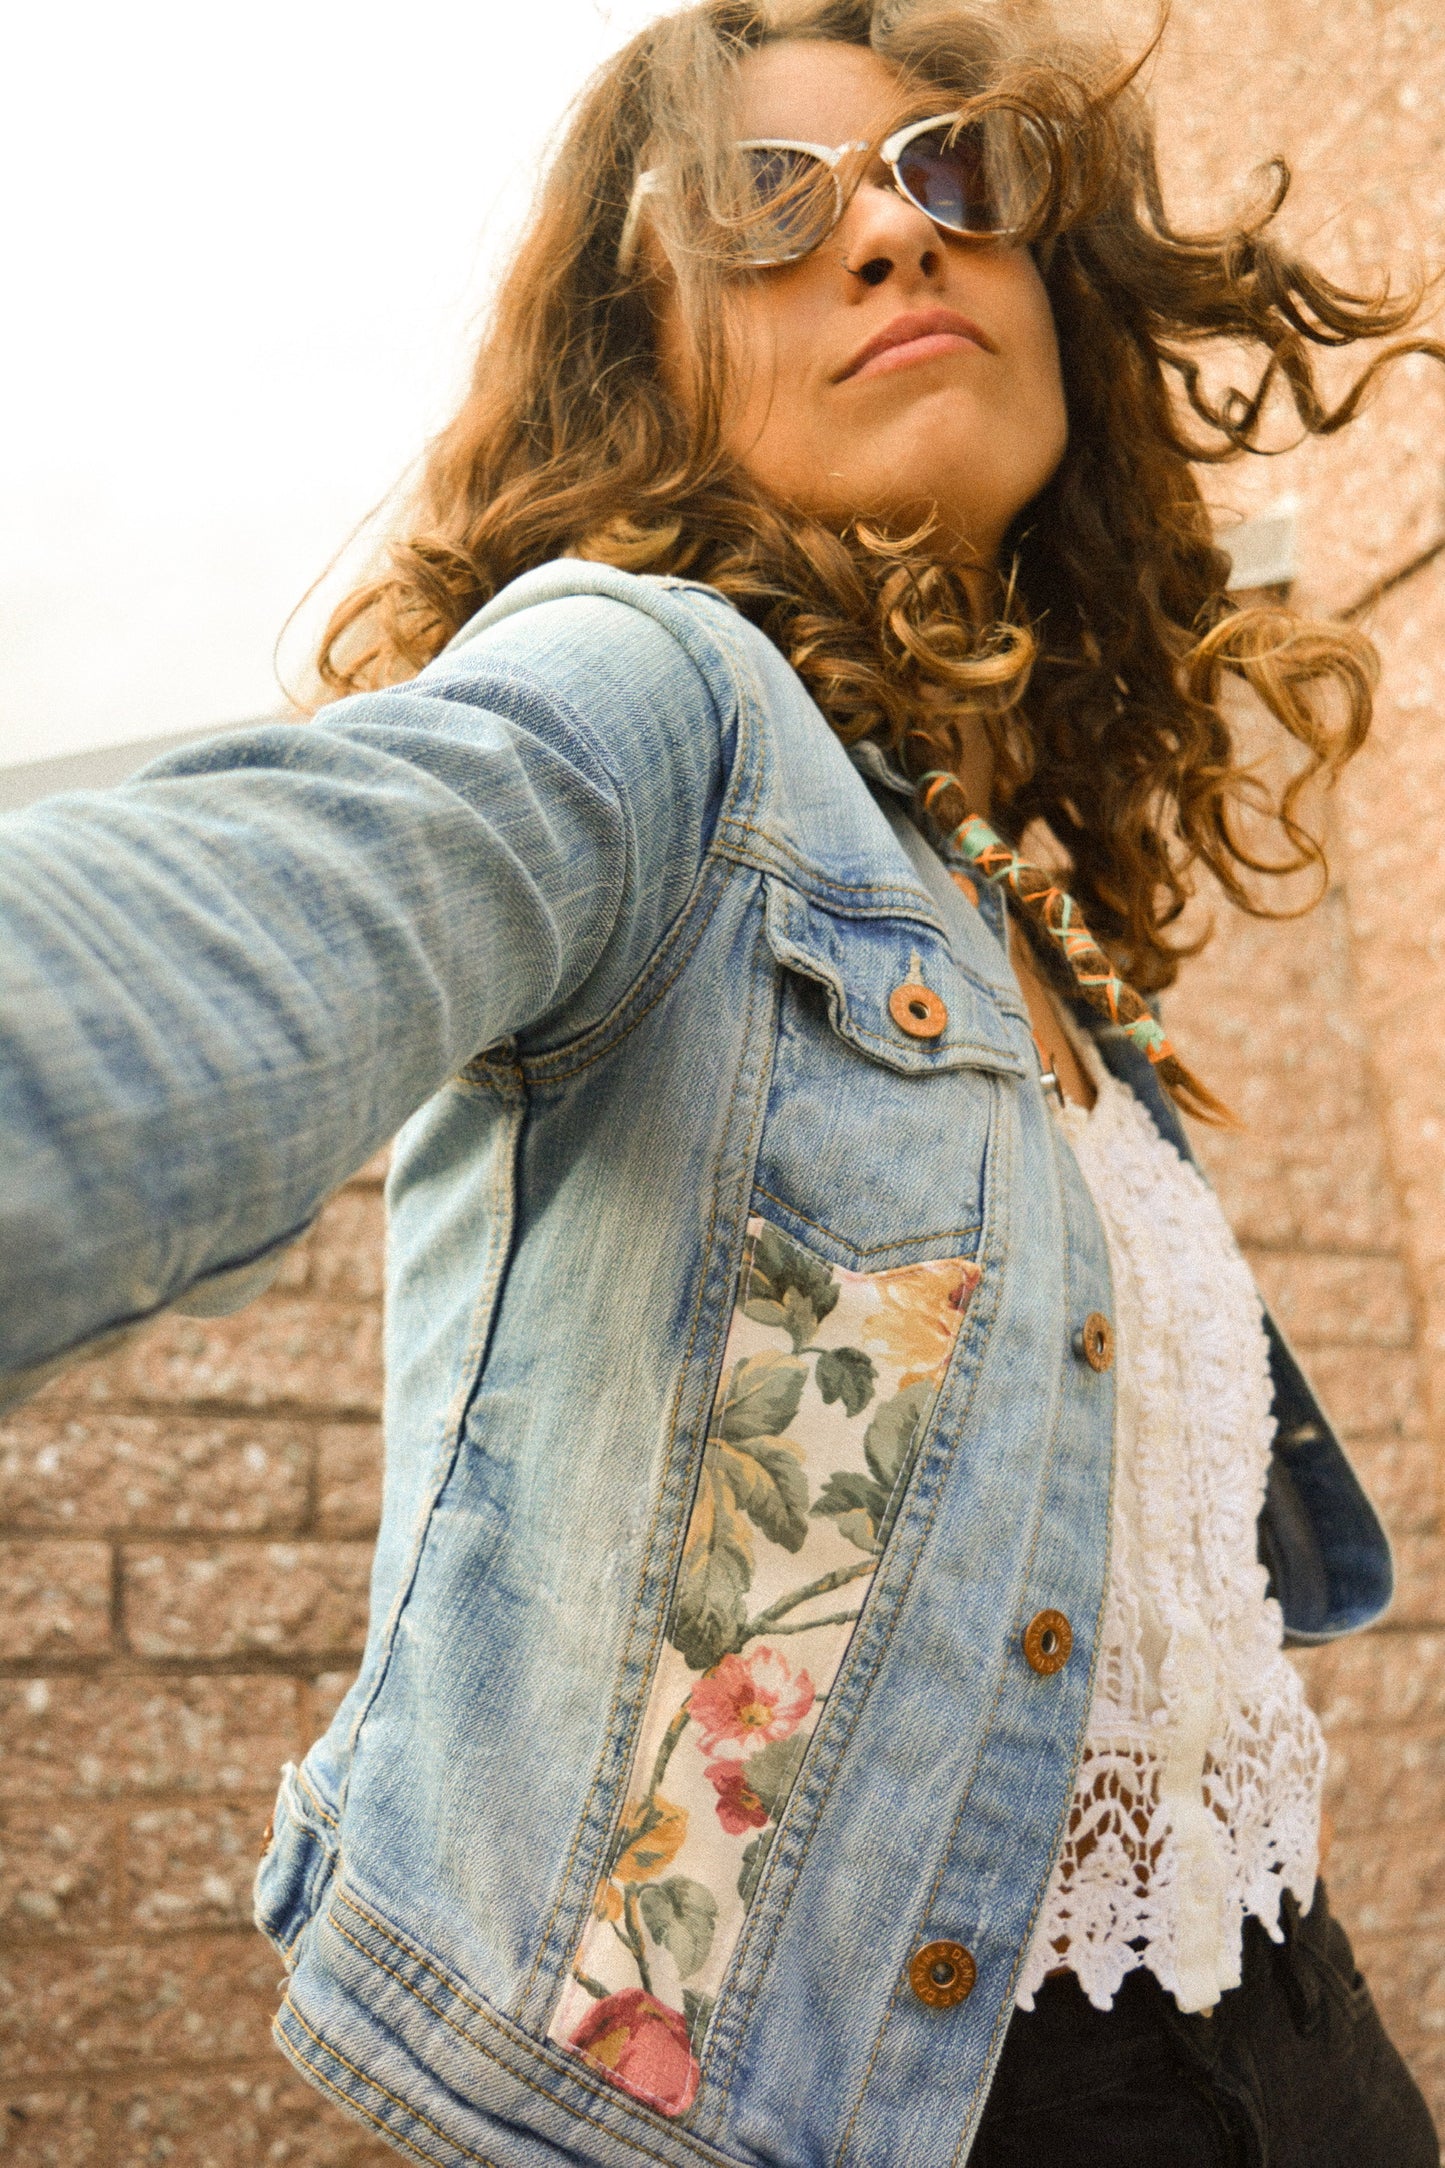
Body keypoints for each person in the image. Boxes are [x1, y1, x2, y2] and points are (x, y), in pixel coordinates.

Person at [0, 1, 1439, 2161]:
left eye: (955, 173)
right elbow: (223, 941)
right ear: (648, 351)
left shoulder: (991, 899)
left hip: (1303, 2047)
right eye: (770, 202)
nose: (887, 236)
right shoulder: (649, 693)